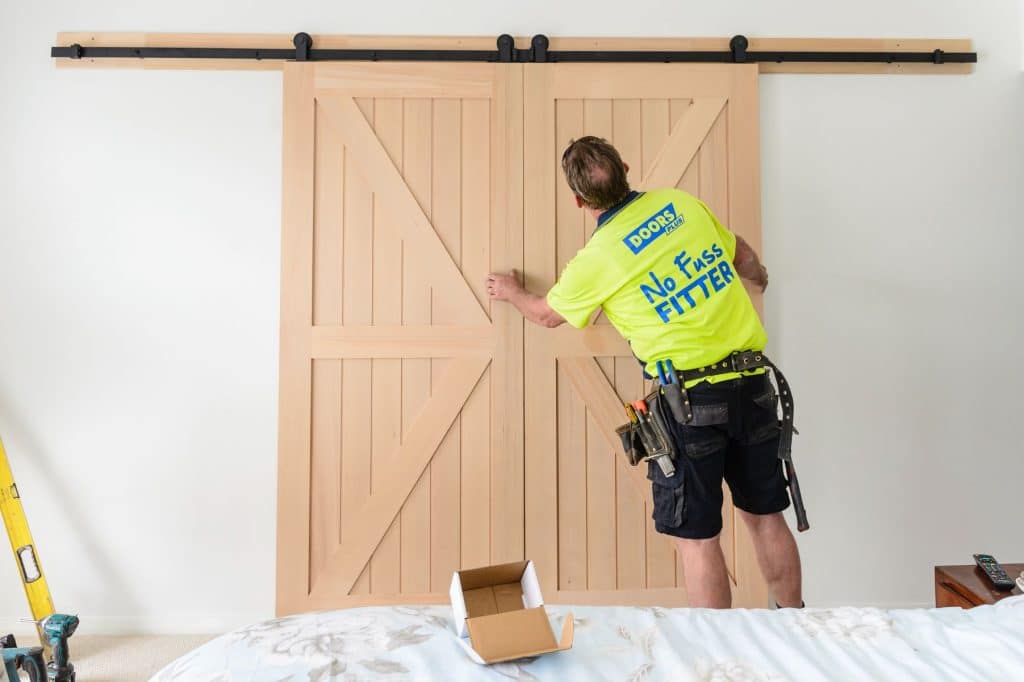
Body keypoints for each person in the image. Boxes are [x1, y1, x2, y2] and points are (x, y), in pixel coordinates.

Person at [486, 136, 802, 609]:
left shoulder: (598, 258)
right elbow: (743, 257)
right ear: (627, 167)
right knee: (766, 516)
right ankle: (794, 626)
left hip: (691, 405)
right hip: (753, 386)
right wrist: (759, 276)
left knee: (699, 541)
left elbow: (546, 315)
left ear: (578, 199)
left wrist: (511, 291)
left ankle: (717, 657)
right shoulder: (681, 206)